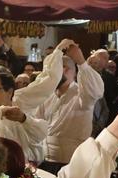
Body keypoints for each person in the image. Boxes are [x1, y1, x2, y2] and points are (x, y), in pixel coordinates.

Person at [36, 41, 104, 170]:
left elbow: (96, 91)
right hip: (45, 160)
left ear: (66, 69)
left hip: (73, 162)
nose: (50, 74)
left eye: (54, 69)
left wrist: (81, 62)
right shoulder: (46, 96)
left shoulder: (82, 94)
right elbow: (37, 125)